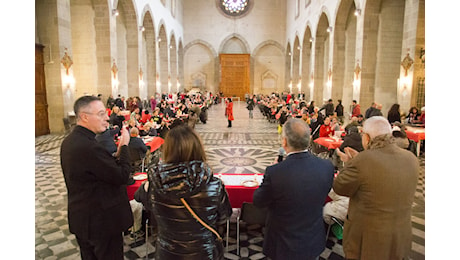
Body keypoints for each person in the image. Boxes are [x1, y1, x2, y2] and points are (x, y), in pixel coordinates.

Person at [135, 124, 232, 259]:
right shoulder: (214, 185)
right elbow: (223, 217)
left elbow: (140, 198)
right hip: (202, 252)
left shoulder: (154, 184)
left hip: (168, 252)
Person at [334, 116, 419, 260]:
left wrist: (350, 163)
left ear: (366, 138)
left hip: (369, 242)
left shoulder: (363, 160)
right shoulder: (411, 158)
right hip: (400, 237)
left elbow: (339, 186)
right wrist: (359, 160)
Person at [60, 95, 133, 259]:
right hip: (102, 222)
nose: (106, 118)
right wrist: (125, 146)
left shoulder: (71, 141)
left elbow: (99, 171)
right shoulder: (90, 147)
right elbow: (122, 176)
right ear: (85, 117)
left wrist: (118, 153)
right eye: (100, 114)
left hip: (83, 219)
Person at [253, 118, 334, 260]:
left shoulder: (275, 172)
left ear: (284, 142)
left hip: (282, 242)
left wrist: (276, 169)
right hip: (312, 239)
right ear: (309, 140)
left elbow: (258, 201)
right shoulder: (326, 167)